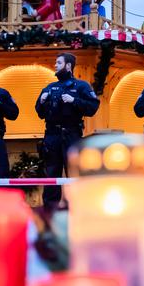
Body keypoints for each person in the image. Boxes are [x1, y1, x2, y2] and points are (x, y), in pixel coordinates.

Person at [36, 53, 99, 210]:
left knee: (74, 174)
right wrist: (41, 102)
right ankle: (50, 213)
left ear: (68, 66)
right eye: (55, 62)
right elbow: (40, 113)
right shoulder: (49, 88)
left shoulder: (81, 86)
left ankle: (78, 210)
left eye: (59, 62)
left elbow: (93, 107)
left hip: (72, 135)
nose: (55, 65)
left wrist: (74, 100)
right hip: (51, 136)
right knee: (51, 175)